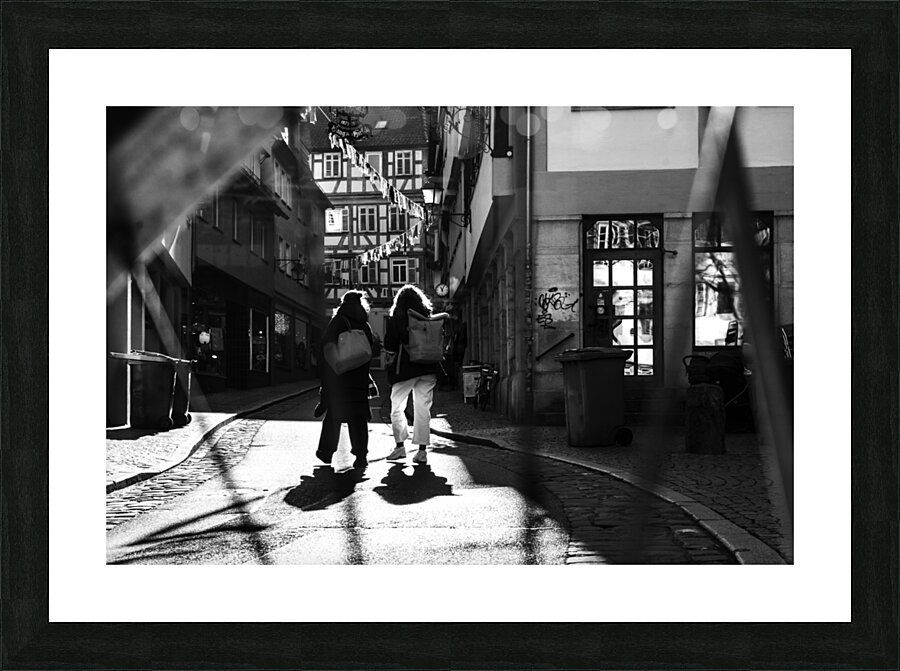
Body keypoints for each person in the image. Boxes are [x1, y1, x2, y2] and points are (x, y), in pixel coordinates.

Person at [383, 284, 443, 465]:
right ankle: (422, 451)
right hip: (429, 367)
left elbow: (390, 346)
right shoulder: (428, 317)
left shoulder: (397, 318)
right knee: (423, 409)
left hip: (405, 370)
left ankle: (400, 446)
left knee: (397, 408)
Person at [315, 290, 374, 469]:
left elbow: (326, 346)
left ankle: (326, 453)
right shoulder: (365, 325)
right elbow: (370, 350)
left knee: (334, 417)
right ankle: (361, 455)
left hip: (340, 380)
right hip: (359, 380)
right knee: (359, 419)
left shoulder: (339, 321)